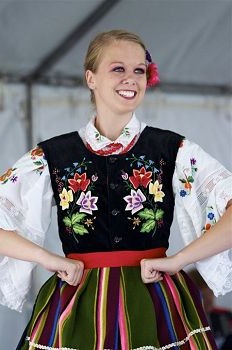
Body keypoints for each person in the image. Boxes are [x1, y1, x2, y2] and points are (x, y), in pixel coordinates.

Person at [0, 29, 231, 350]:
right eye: (118, 68)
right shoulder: (53, 155)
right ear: (91, 78)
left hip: (155, 301)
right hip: (78, 303)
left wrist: (178, 260)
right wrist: (46, 258)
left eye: (139, 70)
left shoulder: (171, 148)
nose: (131, 79)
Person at [188, 268, 232, 349]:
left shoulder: (224, 315)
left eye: (211, 293)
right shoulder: (185, 321)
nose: (209, 300)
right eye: (203, 296)